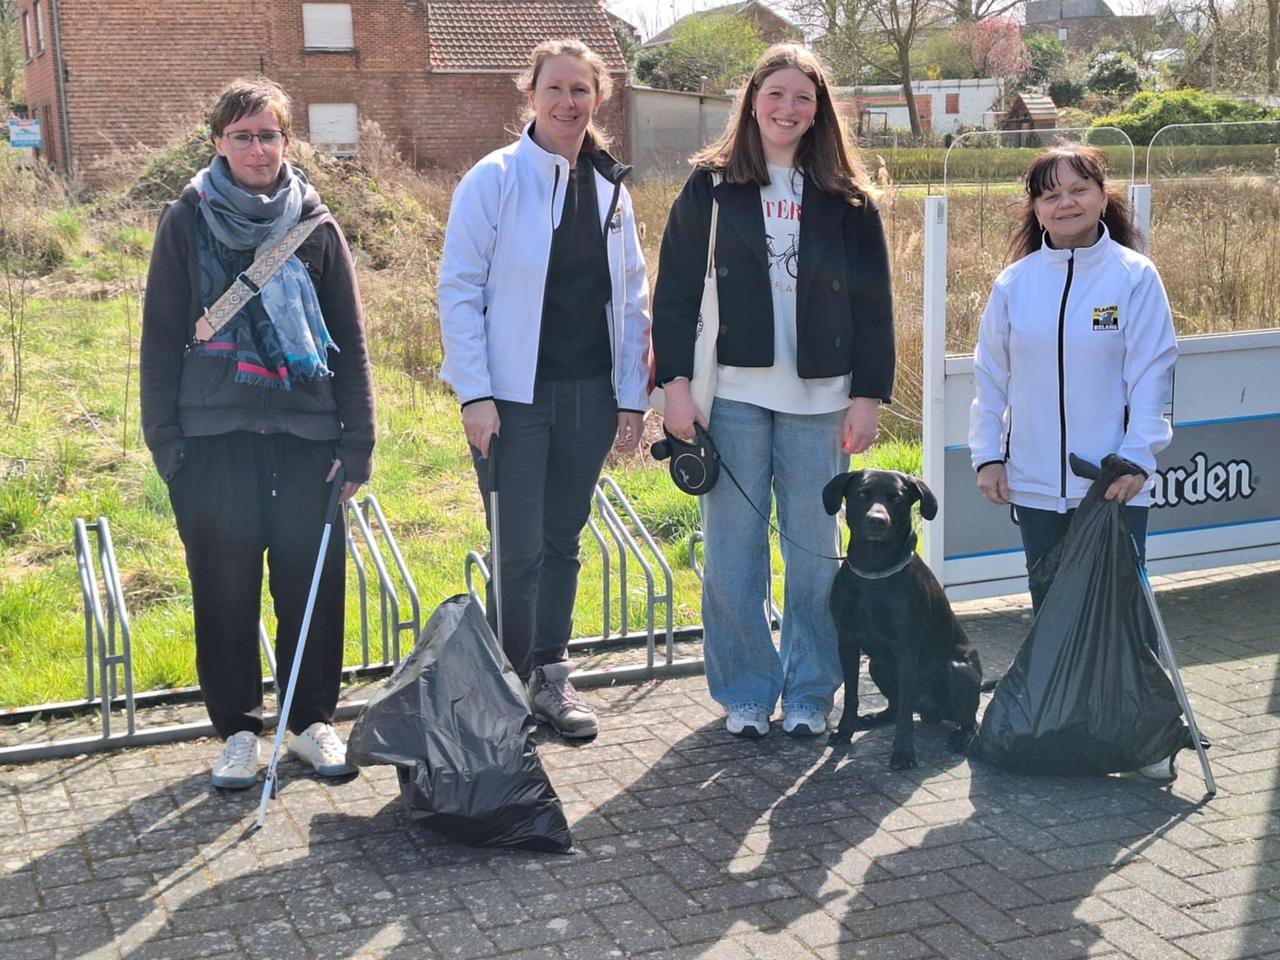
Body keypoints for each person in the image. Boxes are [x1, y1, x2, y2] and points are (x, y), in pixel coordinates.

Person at [651, 43, 895, 739]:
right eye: (776, 94)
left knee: (815, 555)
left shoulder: (847, 199)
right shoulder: (711, 186)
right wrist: (674, 388)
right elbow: (673, 296)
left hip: (821, 402)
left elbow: (876, 305)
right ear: (752, 100)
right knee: (733, 554)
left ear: (819, 112)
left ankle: (813, 689)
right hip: (730, 396)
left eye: (804, 98)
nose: (788, 108)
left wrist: (868, 395)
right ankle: (747, 691)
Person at [141, 78, 375, 790]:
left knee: (312, 588)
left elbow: (351, 340)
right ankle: (238, 731)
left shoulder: (315, 223)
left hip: (307, 438)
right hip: (214, 439)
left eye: (269, 134)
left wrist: (357, 441)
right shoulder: (185, 220)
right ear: (217, 142)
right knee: (225, 589)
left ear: (286, 141)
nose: (257, 148)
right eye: (243, 135)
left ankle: (308, 725)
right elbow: (159, 336)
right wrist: (167, 443)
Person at [437, 39, 651, 739]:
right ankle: (506, 690)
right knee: (516, 547)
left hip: (589, 395)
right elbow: (459, 291)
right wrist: (474, 392)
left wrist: (629, 398)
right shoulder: (492, 180)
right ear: (529, 94)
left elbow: (631, 299)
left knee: (562, 541)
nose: (568, 103)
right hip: (512, 400)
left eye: (580, 91)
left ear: (600, 98)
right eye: (554, 89)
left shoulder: (612, 187)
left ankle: (552, 680)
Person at [968, 143, 1178, 778]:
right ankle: (1065, 729)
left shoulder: (1135, 278)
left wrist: (1137, 458)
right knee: (1052, 607)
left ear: (1102, 195)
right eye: (1050, 193)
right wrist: (988, 457)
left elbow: (1153, 376)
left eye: (1077, 189)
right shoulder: (1014, 284)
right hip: (1033, 484)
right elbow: (990, 379)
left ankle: (1145, 742)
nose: (1065, 202)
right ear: (1035, 207)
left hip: (1112, 486)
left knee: (1123, 610)